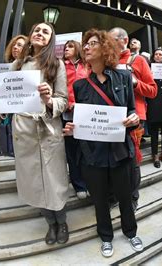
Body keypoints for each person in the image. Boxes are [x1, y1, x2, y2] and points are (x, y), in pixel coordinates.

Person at [0, 22, 70, 245]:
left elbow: (63, 100)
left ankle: (61, 222)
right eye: (37, 30)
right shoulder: (17, 64)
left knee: (54, 180)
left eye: (46, 31)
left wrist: (48, 99)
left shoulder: (57, 64)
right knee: (33, 181)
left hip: (48, 129)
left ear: (51, 39)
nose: (40, 34)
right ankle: (49, 224)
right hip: (23, 131)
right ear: (31, 35)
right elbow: (7, 101)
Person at [63, 28, 143, 258]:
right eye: (85, 44)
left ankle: (130, 232)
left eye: (93, 43)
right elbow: (83, 121)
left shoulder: (124, 77)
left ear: (105, 48)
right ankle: (106, 236)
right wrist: (72, 129)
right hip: (93, 154)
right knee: (99, 199)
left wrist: (134, 119)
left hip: (119, 151)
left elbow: (130, 109)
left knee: (125, 196)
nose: (86, 47)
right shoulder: (80, 86)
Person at [109, 27, 157, 210]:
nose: (109, 43)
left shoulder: (139, 61)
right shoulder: (108, 61)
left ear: (124, 40)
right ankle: (115, 194)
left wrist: (135, 82)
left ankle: (133, 196)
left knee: (133, 158)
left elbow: (152, 91)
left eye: (112, 39)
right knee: (113, 158)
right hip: (112, 116)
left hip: (134, 116)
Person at [62, 39, 89, 199]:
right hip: (67, 113)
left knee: (85, 150)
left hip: (85, 113)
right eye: (65, 47)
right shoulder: (60, 66)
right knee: (72, 151)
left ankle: (89, 182)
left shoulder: (86, 66)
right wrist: (67, 103)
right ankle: (78, 184)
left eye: (70, 46)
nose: (66, 49)